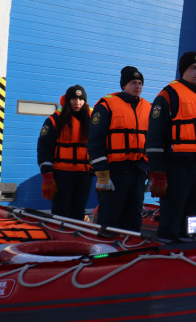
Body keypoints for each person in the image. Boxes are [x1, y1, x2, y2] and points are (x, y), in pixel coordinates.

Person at [145, 51, 196, 241]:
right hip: (177, 167)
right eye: (193, 68)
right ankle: (167, 247)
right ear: (183, 70)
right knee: (172, 212)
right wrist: (158, 175)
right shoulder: (167, 95)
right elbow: (154, 140)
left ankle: (191, 242)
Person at [87, 66, 150, 232]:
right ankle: (106, 251)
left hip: (137, 173)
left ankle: (130, 251)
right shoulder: (106, 106)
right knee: (110, 218)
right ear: (123, 85)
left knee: (134, 217)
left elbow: (153, 143)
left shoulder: (148, 108)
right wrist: (102, 175)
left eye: (140, 83)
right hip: (114, 174)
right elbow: (95, 142)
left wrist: (153, 174)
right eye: (133, 83)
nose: (137, 86)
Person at [37, 85, 93, 220]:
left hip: (84, 174)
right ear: (68, 100)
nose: (77, 102)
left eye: (80, 99)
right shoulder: (54, 120)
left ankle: (76, 237)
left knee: (79, 211)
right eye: (74, 99)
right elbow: (44, 147)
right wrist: (47, 175)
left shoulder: (93, 120)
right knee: (61, 211)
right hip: (62, 174)